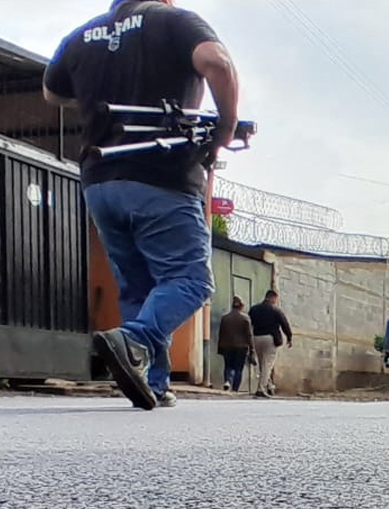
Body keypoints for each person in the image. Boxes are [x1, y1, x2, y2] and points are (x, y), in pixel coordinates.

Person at [45, 0, 239, 411]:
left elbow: (53, 91)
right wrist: (225, 127)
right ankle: (133, 342)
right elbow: (216, 62)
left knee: (137, 284)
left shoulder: (81, 35)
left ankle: (153, 381)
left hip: (100, 181)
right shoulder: (173, 20)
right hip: (161, 176)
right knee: (191, 279)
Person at [249, 289, 292, 398]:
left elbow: (248, 324)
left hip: (256, 337)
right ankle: (261, 389)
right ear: (273, 298)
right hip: (270, 339)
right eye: (276, 299)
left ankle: (269, 386)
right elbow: (284, 324)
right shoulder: (275, 310)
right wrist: (289, 337)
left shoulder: (254, 309)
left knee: (262, 364)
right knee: (267, 365)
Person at [217, 296, 252, 392]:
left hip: (226, 346)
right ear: (241, 306)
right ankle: (235, 389)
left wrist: (220, 347)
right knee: (238, 369)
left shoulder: (225, 318)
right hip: (241, 347)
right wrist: (252, 349)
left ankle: (227, 381)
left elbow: (221, 333)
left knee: (228, 366)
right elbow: (249, 335)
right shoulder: (245, 318)